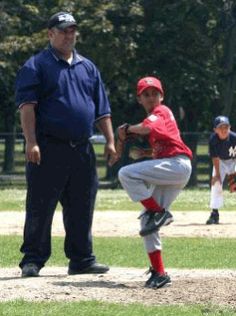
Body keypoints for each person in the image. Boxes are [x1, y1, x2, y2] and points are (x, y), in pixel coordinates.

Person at [15, 12, 116, 277]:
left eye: (72, 30)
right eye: (63, 31)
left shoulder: (87, 67)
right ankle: (33, 259)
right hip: (48, 148)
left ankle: (81, 259)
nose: (69, 35)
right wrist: (31, 142)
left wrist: (110, 141)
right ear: (50, 34)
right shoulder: (36, 65)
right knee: (40, 205)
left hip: (82, 149)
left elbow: (101, 109)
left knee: (82, 205)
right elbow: (27, 107)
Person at [118, 76, 192, 288]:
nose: (151, 98)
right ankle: (159, 273)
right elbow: (166, 143)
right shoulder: (157, 116)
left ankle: (159, 212)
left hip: (177, 166)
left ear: (162, 96)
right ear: (139, 99)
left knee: (125, 174)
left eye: (154, 94)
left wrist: (127, 129)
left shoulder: (161, 111)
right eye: (146, 94)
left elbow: (146, 128)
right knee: (147, 223)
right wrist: (146, 152)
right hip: (172, 167)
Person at [206, 115, 236, 225]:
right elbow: (215, 158)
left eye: (226, 127)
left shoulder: (234, 138)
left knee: (235, 186)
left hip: (233, 161)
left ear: (230, 127)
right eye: (220, 127)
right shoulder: (213, 140)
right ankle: (214, 214)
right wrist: (217, 174)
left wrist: (233, 176)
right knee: (216, 183)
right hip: (221, 162)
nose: (224, 130)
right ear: (215, 130)